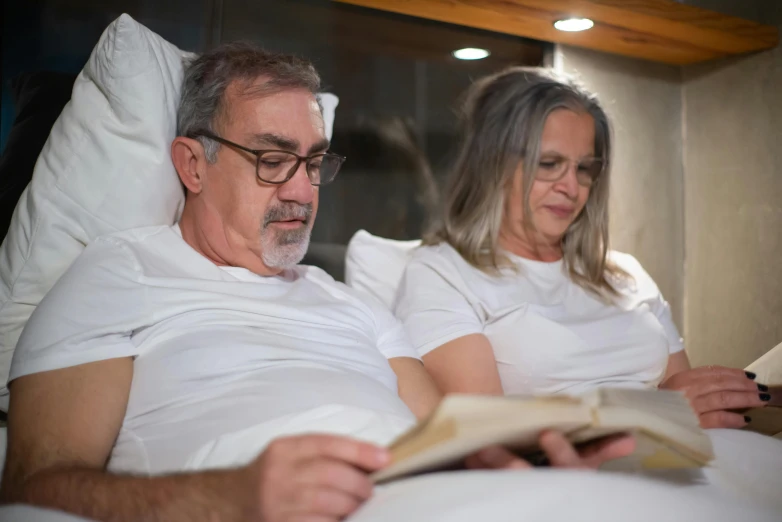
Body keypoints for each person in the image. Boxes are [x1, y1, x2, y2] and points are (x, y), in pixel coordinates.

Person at [0, 45, 634, 522]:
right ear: (192, 164)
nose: (302, 191)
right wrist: (228, 495)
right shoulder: (119, 273)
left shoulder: (348, 303)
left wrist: (532, 464)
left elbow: (448, 434)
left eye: (312, 163)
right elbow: (37, 484)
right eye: (272, 161)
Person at [393, 67, 771, 430]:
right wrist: (655, 411)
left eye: (584, 168)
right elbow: (484, 433)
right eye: (549, 164)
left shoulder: (625, 274)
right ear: (491, 165)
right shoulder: (442, 273)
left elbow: (690, 399)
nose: (571, 187)